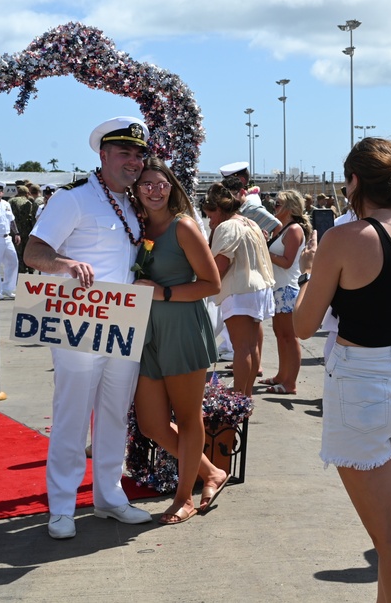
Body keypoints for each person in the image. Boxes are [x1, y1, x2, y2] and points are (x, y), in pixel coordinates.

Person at [293, 137, 391, 602]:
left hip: (362, 382)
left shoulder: (344, 238)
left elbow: (302, 325)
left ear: (354, 181)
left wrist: (308, 273)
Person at [24, 116, 154, 539]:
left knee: (115, 413)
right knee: (72, 413)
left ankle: (109, 497)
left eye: (138, 154)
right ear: (103, 155)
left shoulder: (134, 204)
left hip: (122, 319)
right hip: (78, 319)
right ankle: (61, 506)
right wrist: (64, 264)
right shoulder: (72, 199)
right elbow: (33, 251)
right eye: (124, 153)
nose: (133, 161)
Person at [129, 158, 227, 524]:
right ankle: (211, 472)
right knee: (151, 423)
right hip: (145, 333)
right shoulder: (135, 227)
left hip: (182, 329)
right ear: (136, 190)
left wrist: (163, 294)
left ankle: (183, 497)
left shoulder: (183, 227)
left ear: (172, 187)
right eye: (146, 184)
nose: (154, 190)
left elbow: (212, 283)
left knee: (188, 419)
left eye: (161, 184)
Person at [203, 182, 275, 397]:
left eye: (210, 215)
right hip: (258, 289)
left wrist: (202, 286)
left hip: (240, 290)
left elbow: (220, 266)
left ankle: (238, 397)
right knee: (251, 347)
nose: (210, 221)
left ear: (218, 209)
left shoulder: (227, 227)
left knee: (241, 348)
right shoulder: (249, 223)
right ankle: (246, 395)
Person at [261, 189, 309, 395]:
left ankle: (291, 383)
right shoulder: (281, 230)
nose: (274, 207)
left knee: (289, 337)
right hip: (278, 288)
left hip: (288, 289)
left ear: (289, 207)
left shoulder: (294, 230)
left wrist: (265, 249)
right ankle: (282, 375)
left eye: (278, 204)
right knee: (280, 334)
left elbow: (287, 262)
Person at [10, 184, 38, 274]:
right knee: (27, 252)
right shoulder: (29, 202)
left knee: (18, 253)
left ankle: (20, 271)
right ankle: (30, 270)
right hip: (27, 231)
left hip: (15, 232)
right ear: (27, 193)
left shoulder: (11, 201)